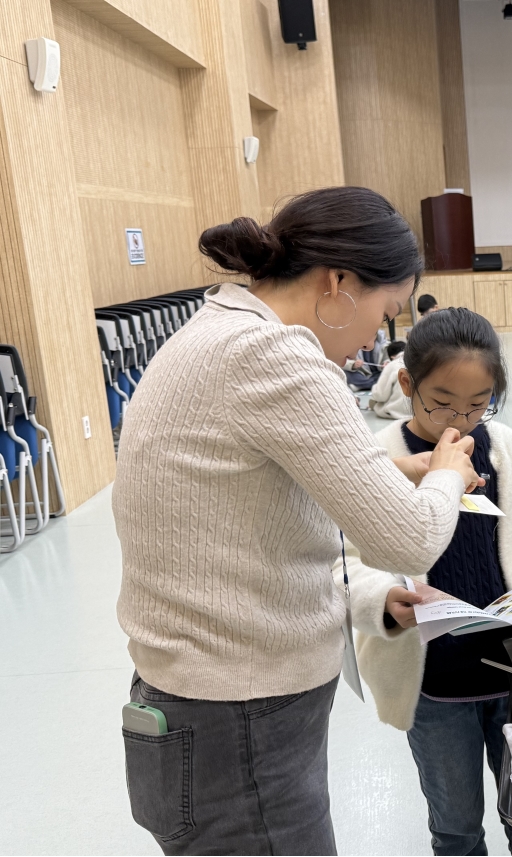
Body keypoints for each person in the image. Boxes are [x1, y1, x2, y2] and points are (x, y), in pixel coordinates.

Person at [114, 187, 482, 855]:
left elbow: (254, 479)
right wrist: (449, 471)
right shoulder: (276, 357)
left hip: (195, 709)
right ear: (337, 283)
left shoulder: (218, 331)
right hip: (241, 724)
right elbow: (408, 536)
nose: (377, 338)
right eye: (383, 312)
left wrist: (396, 470)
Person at [346, 307, 512, 856]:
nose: (461, 418)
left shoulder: (508, 451)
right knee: (455, 824)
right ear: (407, 383)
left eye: (479, 403)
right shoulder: (378, 461)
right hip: (433, 684)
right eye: (442, 401)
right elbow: (347, 563)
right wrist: (384, 599)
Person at [368, 340, 412, 420]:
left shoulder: (392, 365)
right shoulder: (420, 361)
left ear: (392, 357)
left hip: (398, 412)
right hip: (421, 412)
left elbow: (380, 395)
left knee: (375, 401)